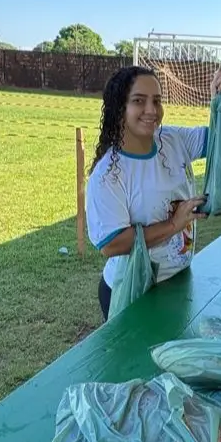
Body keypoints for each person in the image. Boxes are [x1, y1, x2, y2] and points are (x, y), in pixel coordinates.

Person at [86, 67, 208, 321]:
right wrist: (174, 224)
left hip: (176, 280)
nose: (152, 110)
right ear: (120, 108)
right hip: (133, 293)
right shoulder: (109, 174)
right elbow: (112, 244)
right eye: (139, 101)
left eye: (157, 100)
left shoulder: (173, 139)